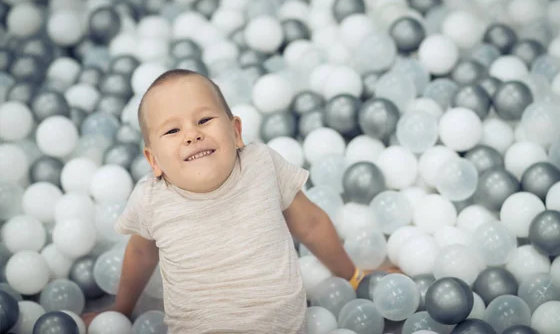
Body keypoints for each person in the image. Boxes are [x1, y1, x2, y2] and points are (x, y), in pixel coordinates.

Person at [81, 69, 376, 333]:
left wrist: (355, 277)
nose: (192, 135)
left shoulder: (261, 165)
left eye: (204, 120)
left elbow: (310, 224)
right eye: (173, 130)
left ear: (235, 132)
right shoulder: (152, 199)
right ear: (153, 160)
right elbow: (141, 255)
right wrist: (121, 310)